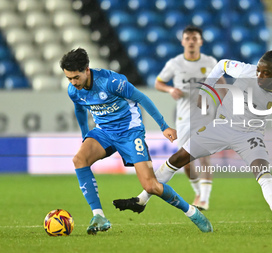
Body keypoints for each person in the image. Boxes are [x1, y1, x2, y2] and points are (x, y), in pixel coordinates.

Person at [113, 46, 272, 234]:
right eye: (259, 69)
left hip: (249, 135)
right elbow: (221, 65)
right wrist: (206, 89)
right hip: (221, 127)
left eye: (265, 73)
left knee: (263, 173)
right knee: (177, 159)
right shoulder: (245, 70)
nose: (259, 75)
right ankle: (141, 200)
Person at [59, 48, 213, 234]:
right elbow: (80, 109)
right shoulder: (74, 90)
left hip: (130, 132)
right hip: (104, 132)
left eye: (76, 77)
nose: (73, 83)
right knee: (79, 160)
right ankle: (99, 215)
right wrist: (85, 136)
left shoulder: (111, 82)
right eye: (69, 78)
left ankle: (192, 212)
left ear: (87, 70)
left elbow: (142, 98)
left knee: (151, 186)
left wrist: (164, 126)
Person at [154, 25, 226, 210]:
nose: (191, 41)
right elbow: (158, 82)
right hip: (184, 118)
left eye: (195, 38)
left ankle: (205, 199)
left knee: (204, 157)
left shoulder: (210, 62)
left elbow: (222, 85)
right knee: (185, 163)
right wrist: (170, 89)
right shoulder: (175, 63)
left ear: (201, 41)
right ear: (182, 41)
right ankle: (197, 192)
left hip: (206, 116)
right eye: (188, 38)